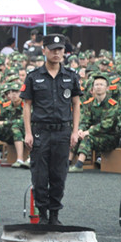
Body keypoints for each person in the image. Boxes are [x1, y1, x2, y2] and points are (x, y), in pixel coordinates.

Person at [20, 33, 82, 225]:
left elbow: (76, 104)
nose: (57, 53)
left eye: (60, 50)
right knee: (39, 175)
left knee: (59, 175)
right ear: (44, 50)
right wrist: (28, 132)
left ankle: (54, 214)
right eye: (53, 49)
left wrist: (74, 131)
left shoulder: (71, 76)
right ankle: (42, 214)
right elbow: (27, 105)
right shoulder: (33, 77)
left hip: (62, 131)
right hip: (41, 131)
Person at [69, 73, 119, 173]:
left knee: (87, 137)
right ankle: (67, 162)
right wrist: (80, 130)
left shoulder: (113, 104)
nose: (98, 87)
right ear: (93, 88)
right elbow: (84, 120)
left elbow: (106, 125)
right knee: (76, 136)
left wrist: (88, 131)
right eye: (96, 85)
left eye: (101, 85)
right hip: (95, 135)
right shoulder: (90, 103)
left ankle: (79, 164)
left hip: (110, 138)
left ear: (107, 88)